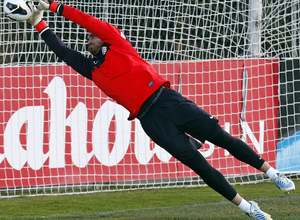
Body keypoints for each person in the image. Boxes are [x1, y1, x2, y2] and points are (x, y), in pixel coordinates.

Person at [26, 1, 295, 219]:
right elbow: (63, 52)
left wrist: (52, 5)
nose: (89, 39)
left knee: (221, 137)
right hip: (150, 120)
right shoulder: (93, 70)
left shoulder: (118, 43)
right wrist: (38, 22)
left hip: (167, 99)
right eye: (87, 39)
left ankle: (273, 174)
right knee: (198, 165)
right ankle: (249, 209)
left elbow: (88, 21)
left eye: (92, 37)